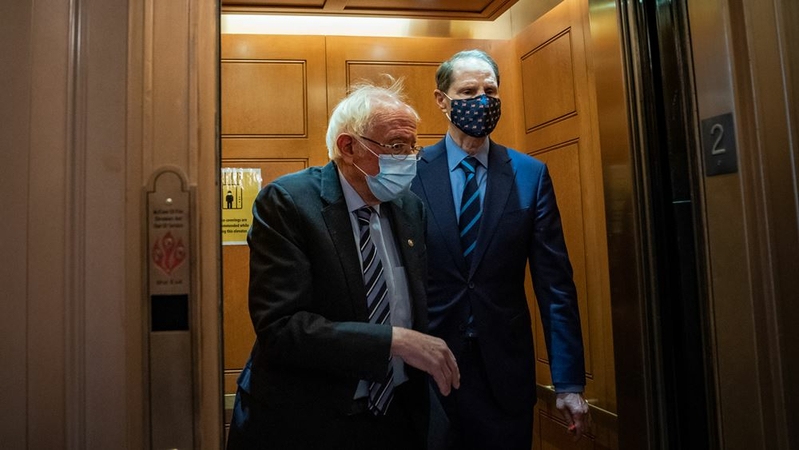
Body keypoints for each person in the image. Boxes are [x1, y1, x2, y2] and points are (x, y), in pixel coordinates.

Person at [226, 80, 460, 450]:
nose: (408, 159)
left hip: (397, 416)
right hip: (310, 419)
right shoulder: (288, 202)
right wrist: (393, 341)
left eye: (412, 147)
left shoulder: (409, 208)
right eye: (396, 146)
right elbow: (282, 328)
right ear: (348, 147)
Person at [410, 49, 590, 450]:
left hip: (504, 376)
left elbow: (555, 286)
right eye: (468, 91)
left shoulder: (529, 175)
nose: (481, 101)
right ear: (442, 100)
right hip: (427, 372)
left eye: (489, 91)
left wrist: (568, 381)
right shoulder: (411, 172)